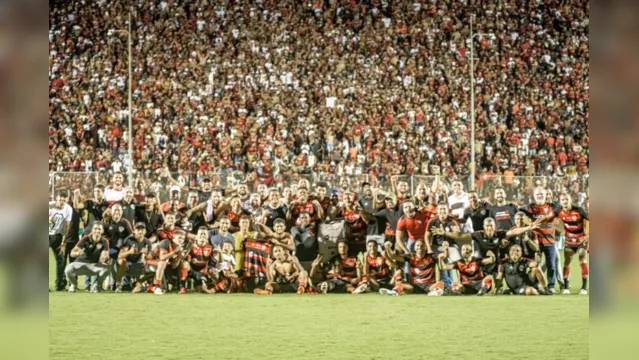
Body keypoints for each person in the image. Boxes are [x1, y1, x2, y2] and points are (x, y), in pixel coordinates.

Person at [432, 217, 543, 276]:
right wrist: (445, 233)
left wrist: (529, 228)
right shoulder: (478, 234)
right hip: (482, 265)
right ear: (484, 227)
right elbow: (461, 235)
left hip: (496, 265)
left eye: (491, 226)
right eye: (487, 226)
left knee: (496, 286)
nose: (489, 228)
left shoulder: (499, 233)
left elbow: (514, 232)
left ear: (494, 226)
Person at [518, 187, 560, 293]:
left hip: (550, 241)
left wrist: (537, 221)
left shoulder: (553, 206)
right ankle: (537, 284)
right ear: (534, 196)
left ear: (546, 195)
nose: (540, 196)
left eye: (542, 194)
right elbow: (519, 211)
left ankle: (551, 286)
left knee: (551, 265)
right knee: (536, 264)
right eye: (537, 194)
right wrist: (529, 223)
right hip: (536, 242)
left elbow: (558, 210)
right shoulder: (530, 207)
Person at [380, 240, 445, 296]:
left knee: (441, 283)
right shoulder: (411, 257)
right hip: (415, 286)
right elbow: (394, 256)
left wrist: (446, 249)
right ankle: (395, 291)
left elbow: (445, 255)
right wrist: (388, 248)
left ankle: (436, 292)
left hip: (429, 285)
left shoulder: (432, 256)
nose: (420, 247)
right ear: (414, 247)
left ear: (425, 247)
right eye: (417, 245)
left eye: (422, 245)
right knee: (400, 282)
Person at [555, 193, 590, 295]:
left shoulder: (579, 210)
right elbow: (551, 220)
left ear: (570, 200)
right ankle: (566, 288)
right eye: (562, 200)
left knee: (582, 256)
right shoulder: (558, 211)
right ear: (560, 202)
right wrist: (557, 227)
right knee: (567, 261)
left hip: (581, 239)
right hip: (569, 240)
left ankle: (584, 288)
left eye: (566, 199)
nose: (565, 202)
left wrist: (589, 235)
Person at [64, 222, 111, 293]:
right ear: (92, 230)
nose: (97, 231)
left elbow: (105, 254)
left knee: (107, 268)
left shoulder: (105, 241)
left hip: (94, 266)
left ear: (102, 231)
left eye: (99, 229)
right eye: (95, 229)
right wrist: (77, 253)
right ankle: (74, 284)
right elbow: (71, 253)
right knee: (68, 269)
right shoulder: (85, 239)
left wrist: (105, 258)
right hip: (81, 265)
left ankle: (97, 286)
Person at [425, 205, 461, 288]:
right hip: (436, 246)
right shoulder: (432, 221)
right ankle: (448, 285)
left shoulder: (452, 221)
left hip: (451, 246)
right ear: (437, 211)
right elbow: (427, 236)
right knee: (441, 259)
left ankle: (455, 284)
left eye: (444, 209)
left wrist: (451, 232)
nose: (442, 211)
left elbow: (457, 235)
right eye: (440, 209)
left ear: (448, 210)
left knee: (455, 261)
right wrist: (429, 248)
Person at [149, 229, 192, 295]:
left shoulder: (178, 247)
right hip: (149, 262)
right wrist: (174, 252)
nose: (181, 240)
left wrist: (180, 254)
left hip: (163, 265)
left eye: (183, 239)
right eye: (179, 238)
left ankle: (181, 286)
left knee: (182, 264)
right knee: (162, 263)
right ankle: (157, 287)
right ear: (173, 237)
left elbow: (174, 266)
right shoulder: (166, 242)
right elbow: (162, 258)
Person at [114, 222, 153, 293]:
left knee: (153, 268)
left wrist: (147, 254)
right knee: (122, 261)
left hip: (138, 264)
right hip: (127, 264)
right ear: (134, 231)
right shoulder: (129, 240)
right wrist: (129, 252)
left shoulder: (148, 242)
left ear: (145, 231)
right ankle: (118, 285)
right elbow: (120, 256)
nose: (140, 231)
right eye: (138, 229)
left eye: (142, 229)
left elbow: (151, 258)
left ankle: (141, 284)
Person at [49, 190, 72, 291]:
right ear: (56, 199)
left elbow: (67, 227)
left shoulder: (68, 209)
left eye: (64, 200)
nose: (62, 202)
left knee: (61, 260)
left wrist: (63, 243)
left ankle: (59, 285)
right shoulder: (49, 207)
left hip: (58, 236)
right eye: (60, 200)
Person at [188, 227, 217, 294]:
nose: (203, 235)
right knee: (199, 290)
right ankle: (183, 285)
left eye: (204, 234)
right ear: (197, 236)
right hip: (193, 271)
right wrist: (189, 248)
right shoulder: (191, 245)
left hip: (204, 271)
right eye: (201, 234)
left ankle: (213, 285)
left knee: (208, 289)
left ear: (207, 236)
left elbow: (216, 261)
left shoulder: (210, 247)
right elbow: (186, 260)